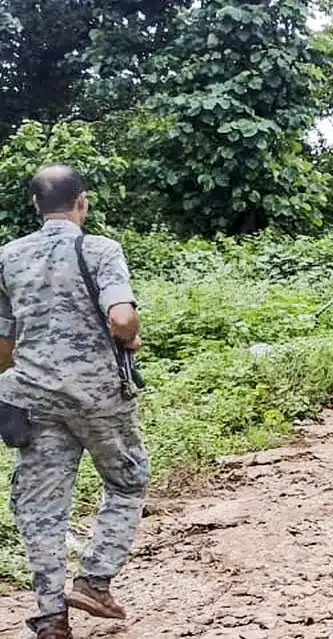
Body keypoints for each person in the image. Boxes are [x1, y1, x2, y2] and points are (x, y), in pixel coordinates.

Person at [1, 165, 149, 639]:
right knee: (127, 482)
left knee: (42, 508)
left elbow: (2, 343)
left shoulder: (8, 256)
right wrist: (131, 337)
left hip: (35, 399)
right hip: (99, 396)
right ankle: (95, 579)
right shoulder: (101, 249)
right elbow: (122, 317)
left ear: (35, 205)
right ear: (82, 201)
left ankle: (50, 617)